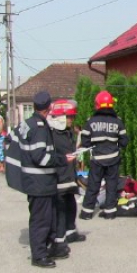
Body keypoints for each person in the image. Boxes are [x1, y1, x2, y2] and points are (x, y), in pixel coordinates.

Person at [15, 91, 75, 268]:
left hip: (33, 180)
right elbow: (40, 157)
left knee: (44, 218)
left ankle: (49, 248)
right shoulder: (40, 128)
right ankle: (39, 256)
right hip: (40, 182)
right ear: (48, 109)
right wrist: (63, 160)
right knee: (41, 220)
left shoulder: (27, 123)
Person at [79, 90, 129, 220]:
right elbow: (124, 141)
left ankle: (86, 213)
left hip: (97, 160)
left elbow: (85, 141)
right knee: (111, 186)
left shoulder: (91, 121)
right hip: (113, 159)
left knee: (93, 185)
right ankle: (110, 213)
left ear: (97, 105)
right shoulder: (118, 121)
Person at [48, 99, 86, 255]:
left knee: (71, 204)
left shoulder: (67, 132)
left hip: (69, 176)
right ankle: (59, 239)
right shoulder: (52, 134)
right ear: (61, 116)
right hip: (59, 177)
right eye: (69, 117)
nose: (72, 120)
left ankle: (71, 232)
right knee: (60, 209)